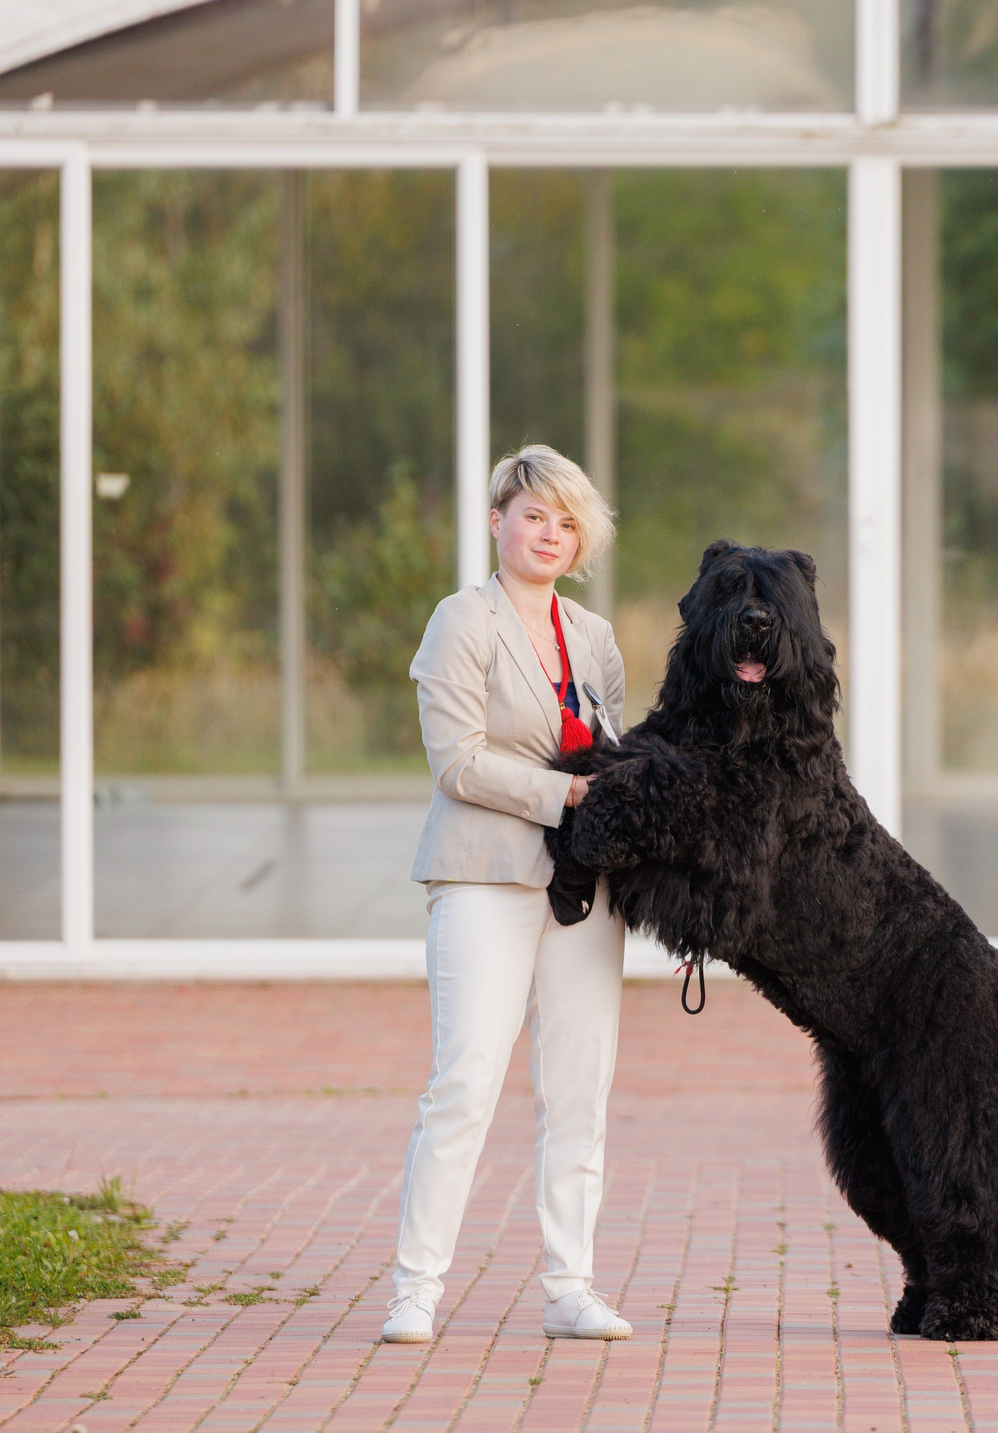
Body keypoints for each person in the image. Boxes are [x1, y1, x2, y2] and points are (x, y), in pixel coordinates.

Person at [382, 445, 631, 1346]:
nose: (550, 535)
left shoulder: (594, 636)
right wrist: (562, 793)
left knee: (579, 1091)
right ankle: (416, 1289)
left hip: (584, 892)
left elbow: (613, 754)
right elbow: (455, 761)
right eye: (535, 516)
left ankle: (570, 1287)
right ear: (498, 521)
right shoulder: (461, 620)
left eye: (567, 522)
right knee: (465, 1084)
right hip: (485, 874)